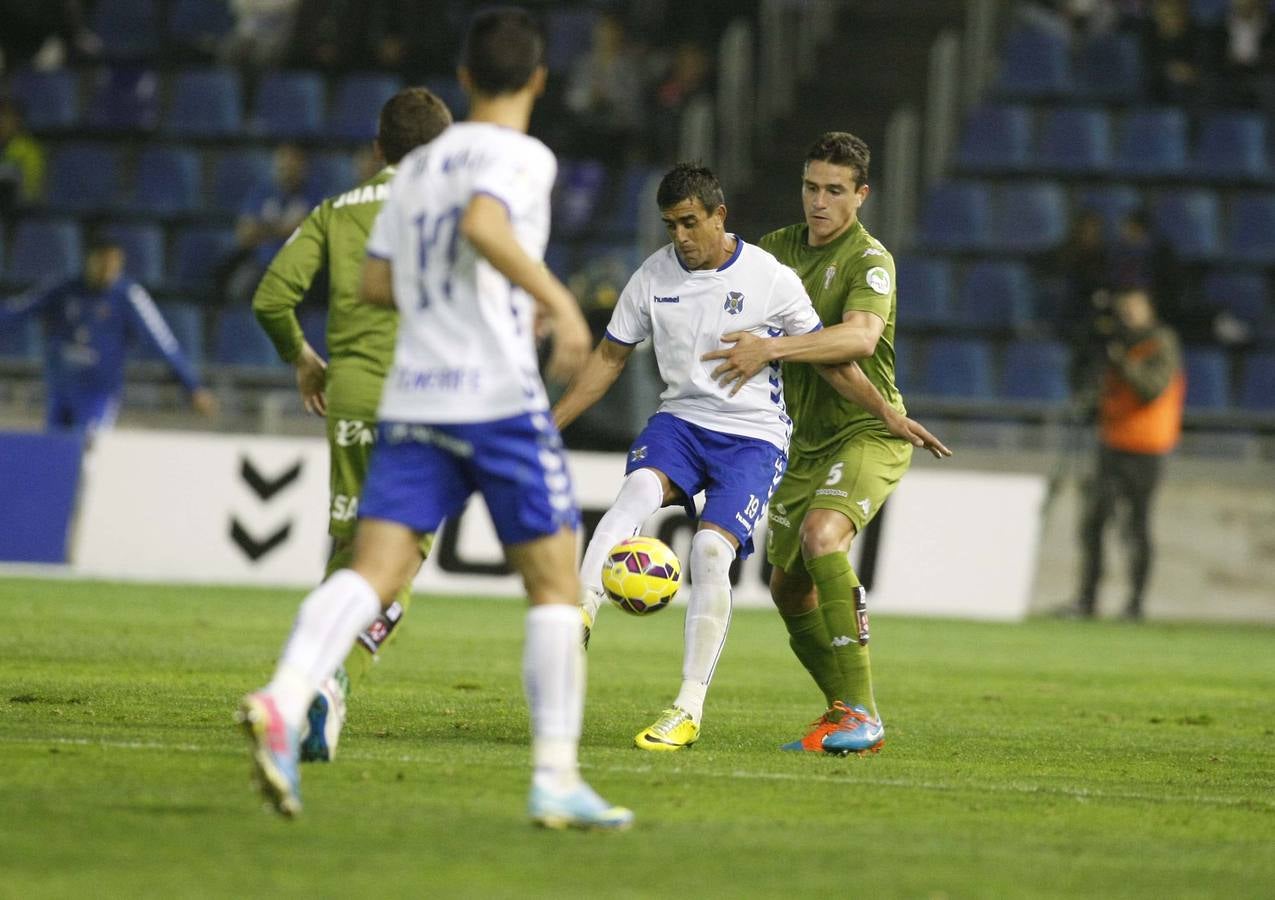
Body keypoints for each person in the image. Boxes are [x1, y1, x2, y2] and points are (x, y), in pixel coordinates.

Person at [238, 6, 632, 831]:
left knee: (370, 567)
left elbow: (376, 284)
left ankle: (284, 694)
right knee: (556, 583)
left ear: (462, 77)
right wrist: (554, 301)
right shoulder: (521, 154)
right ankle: (555, 776)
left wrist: (470, 293)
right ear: (536, 80)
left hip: (415, 393)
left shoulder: (413, 171)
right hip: (493, 397)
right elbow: (484, 224)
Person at [553, 162, 946, 753]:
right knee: (634, 494)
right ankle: (578, 614)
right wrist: (549, 425)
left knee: (711, 552)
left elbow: (837, 359)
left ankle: (686, 709)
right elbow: (609, 358)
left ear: (718, 216)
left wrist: (887, 413)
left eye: (690, 223)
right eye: (670, 226)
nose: (680, 237)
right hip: (680, 423)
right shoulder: (651, 277)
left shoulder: (770, 277)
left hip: (753, 437)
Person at [702, 132, 950, 756]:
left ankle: (863, 712)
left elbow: (859, 340)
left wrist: (773, 347)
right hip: (802, 441)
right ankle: (844, 709)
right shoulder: (779, 249)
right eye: (812, 187)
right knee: (786, 587)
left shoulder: (871, 260)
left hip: (869, 430)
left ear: (861, 195)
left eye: (835, 191)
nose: (820, 201)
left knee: (821, 538)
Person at [251, 87, 453, 764]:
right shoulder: (456, 212)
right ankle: (331, 680)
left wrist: (305, 361)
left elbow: (272, 297)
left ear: (377, 150)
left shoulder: (336, 211)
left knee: (348, 547)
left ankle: (306, 677)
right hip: (426, 399)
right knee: (398, 559)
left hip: (354, 395)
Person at [0, 231, 217, 437]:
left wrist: (192, 386)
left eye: (114, 262)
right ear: (88, 259)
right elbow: (17, 312)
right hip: (61, 390)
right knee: (53, 455)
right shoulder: (62, 289)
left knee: (88, 453)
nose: (107, 268)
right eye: (102, 260)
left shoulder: (129, 296)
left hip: (98, 395)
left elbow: (163, 342)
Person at [1068, 287, 1183, 621]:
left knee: (1136, 526)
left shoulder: (1161, 343)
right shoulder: (1114, 344)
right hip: (1112, 441)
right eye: (1124, 309)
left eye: (1134, 308)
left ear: (1150, 310)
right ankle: (1087, 600)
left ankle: (1135, 604)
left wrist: (1123, 362)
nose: (1128, 315)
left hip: (1147, 446)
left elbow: (1151, 388)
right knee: (1093, 522)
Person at [225, 143, 321, 307]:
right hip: (262, 264)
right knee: (238, 288)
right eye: (283, 161)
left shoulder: (314, 195)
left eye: (293, 162)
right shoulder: (262, 192)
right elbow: (245, 235)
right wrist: (281, 229)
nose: (287, 167)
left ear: (303, 165)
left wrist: (264, 229)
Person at [0, 97, 46, 212]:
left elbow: (31, 193)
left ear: (17, 122)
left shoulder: (31, 151)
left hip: (18, 212)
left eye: (5, 118)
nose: (1, 124)